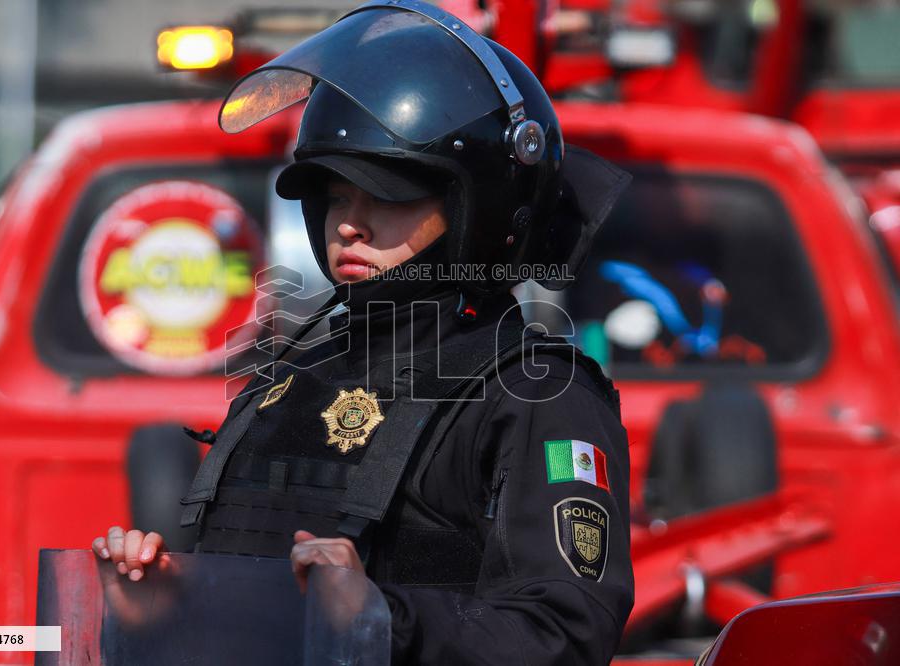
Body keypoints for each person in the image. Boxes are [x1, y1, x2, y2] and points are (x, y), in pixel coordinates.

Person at [93, 3, 634, 664]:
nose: (349, 224)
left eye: (388, 194)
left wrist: (382, 618)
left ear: (479, 208)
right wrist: (161, 614)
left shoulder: (535, 394)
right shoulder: (288, 378)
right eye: (337, 196)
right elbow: (255, 611)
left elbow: (565, 635)